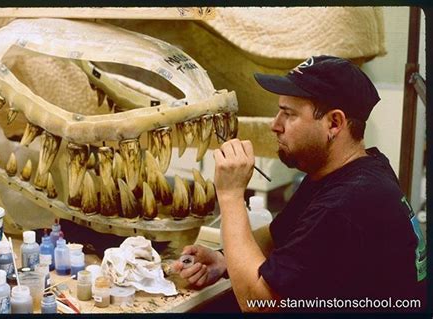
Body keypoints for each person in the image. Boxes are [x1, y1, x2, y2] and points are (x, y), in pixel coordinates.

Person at [172, 55, 426, 312]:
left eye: (288, 114)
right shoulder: (352, 170)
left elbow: (257, 302)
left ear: (334, 123)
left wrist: (230, 195)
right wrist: (223, 259)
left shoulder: (347, 203)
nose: (275, 125)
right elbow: (276, 238)